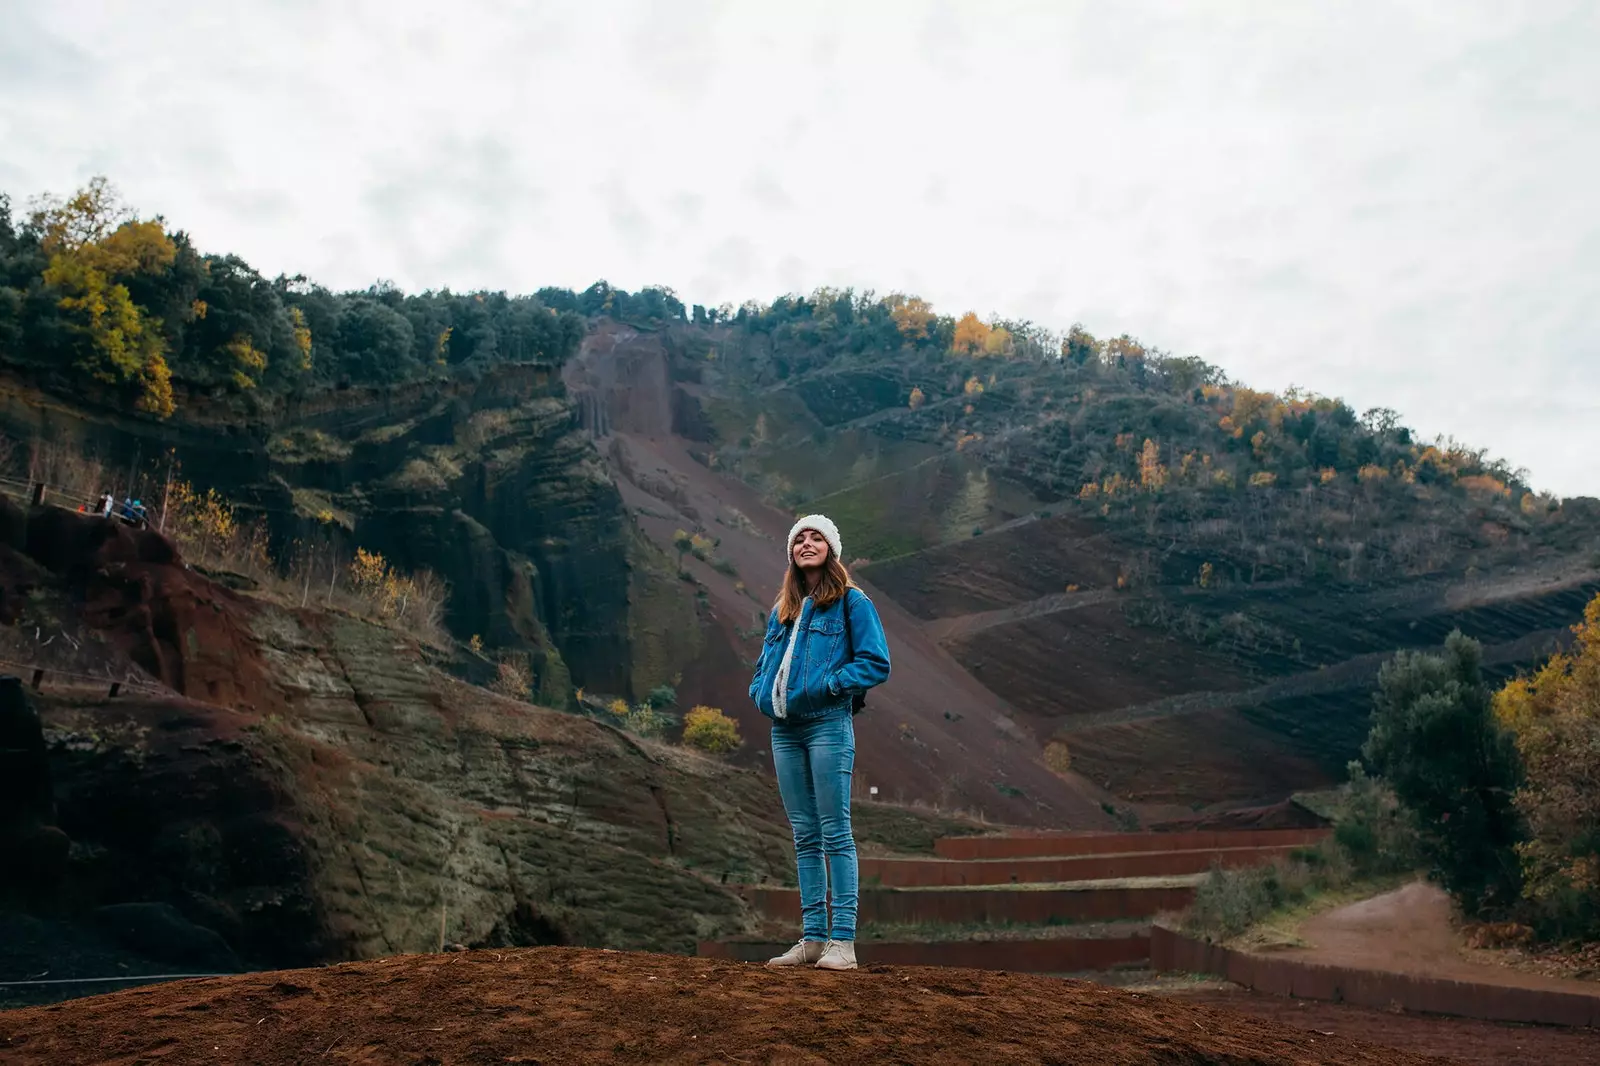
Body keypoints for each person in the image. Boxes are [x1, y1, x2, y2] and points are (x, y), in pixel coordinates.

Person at [749, 514, 890, 971]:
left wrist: (830, 685)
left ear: (832, 548)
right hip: (784, 731)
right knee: (804, 834)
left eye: (816, 537)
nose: (807, 544)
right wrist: (760, 693)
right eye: (799, 539)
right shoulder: (783, 611)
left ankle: (842, 943)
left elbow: (875, 662)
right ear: (791, 552)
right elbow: (765, 664)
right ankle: (811, 939)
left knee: (835, 832)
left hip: (828, 724)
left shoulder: (852, 602)